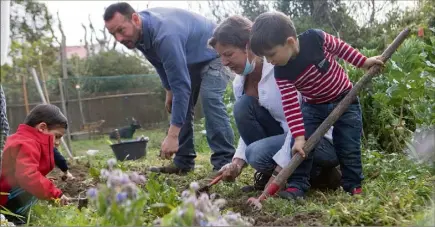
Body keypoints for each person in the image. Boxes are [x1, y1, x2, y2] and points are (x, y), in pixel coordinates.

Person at [249, 11, 384, 199]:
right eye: (266, 58)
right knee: (302, 148)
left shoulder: (316, 38)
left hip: (345, 99)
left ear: (289, 42)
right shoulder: (281, 73)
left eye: (271, 54)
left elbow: (341, 49)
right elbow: (290, 106)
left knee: (349, 145)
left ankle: (353, 186)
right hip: (313, 107)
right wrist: (298, 137)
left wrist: (363, 62)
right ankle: (297, 186)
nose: (270, 61)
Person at [209, 15, 341, 195]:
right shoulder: (240, 83)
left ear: (249, 46)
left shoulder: (282, 69)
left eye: (228, 54)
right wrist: (237, 162)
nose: (224, 62)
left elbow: (302, 121)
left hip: (316, 138)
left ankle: (318, 174)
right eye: (220, 56)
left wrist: (277, 176)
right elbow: (250, 127)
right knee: (243, 107)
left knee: (256, 154)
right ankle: (303, 174)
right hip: (288, 138)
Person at [103, 3, 236, 174]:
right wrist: (168, 89)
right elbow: (158, 62)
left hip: (215, 54)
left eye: (121, 30)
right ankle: (183, 161)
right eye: (113, 34)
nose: (119, 39)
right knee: (177, 104)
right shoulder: (139, 34)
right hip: (190, 58)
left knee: (210, 97)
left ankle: (223, 162)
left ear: (135, 19)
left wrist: (172, 136)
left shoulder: (165, 35)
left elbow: (182, 87)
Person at [0, 104, 70, 225]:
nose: (58, 143)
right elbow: (27, 176)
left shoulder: (24, 139)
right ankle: (14, 219)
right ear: (42, 127)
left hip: (7, 192)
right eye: (57, 136)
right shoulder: (27, 144)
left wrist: (43, 181)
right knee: (32, 185)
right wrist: (55, 194)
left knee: (38, 184)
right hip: (5, 197)